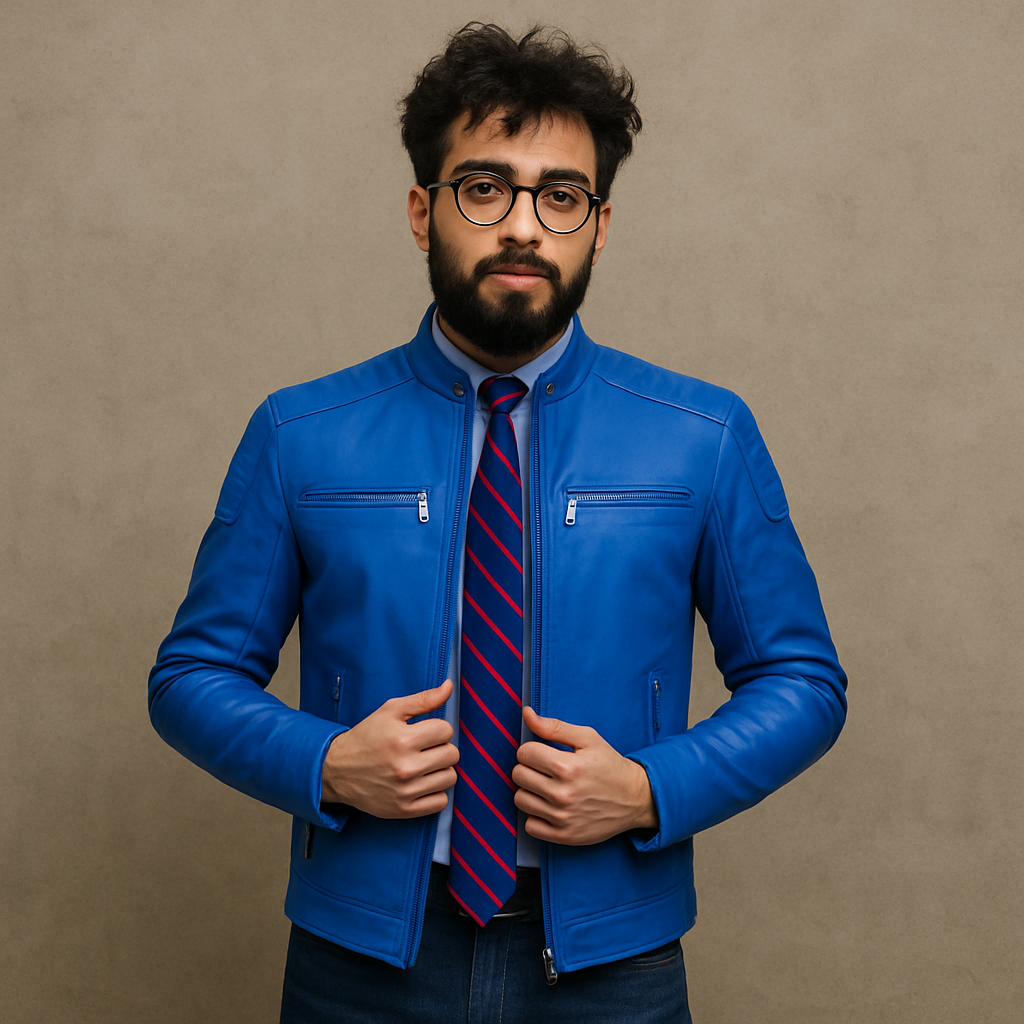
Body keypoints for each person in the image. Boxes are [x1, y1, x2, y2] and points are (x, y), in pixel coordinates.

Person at [149, 23, 847, 1023]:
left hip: (612, 968)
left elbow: (802, 681)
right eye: (485, 188)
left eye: (561, 196)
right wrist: (325, 763)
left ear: (599, 227)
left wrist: (650, 788)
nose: (523, 227)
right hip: (361, 963)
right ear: (421, 210)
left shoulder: (702, 436)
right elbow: (190, 676)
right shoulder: (300, 434)